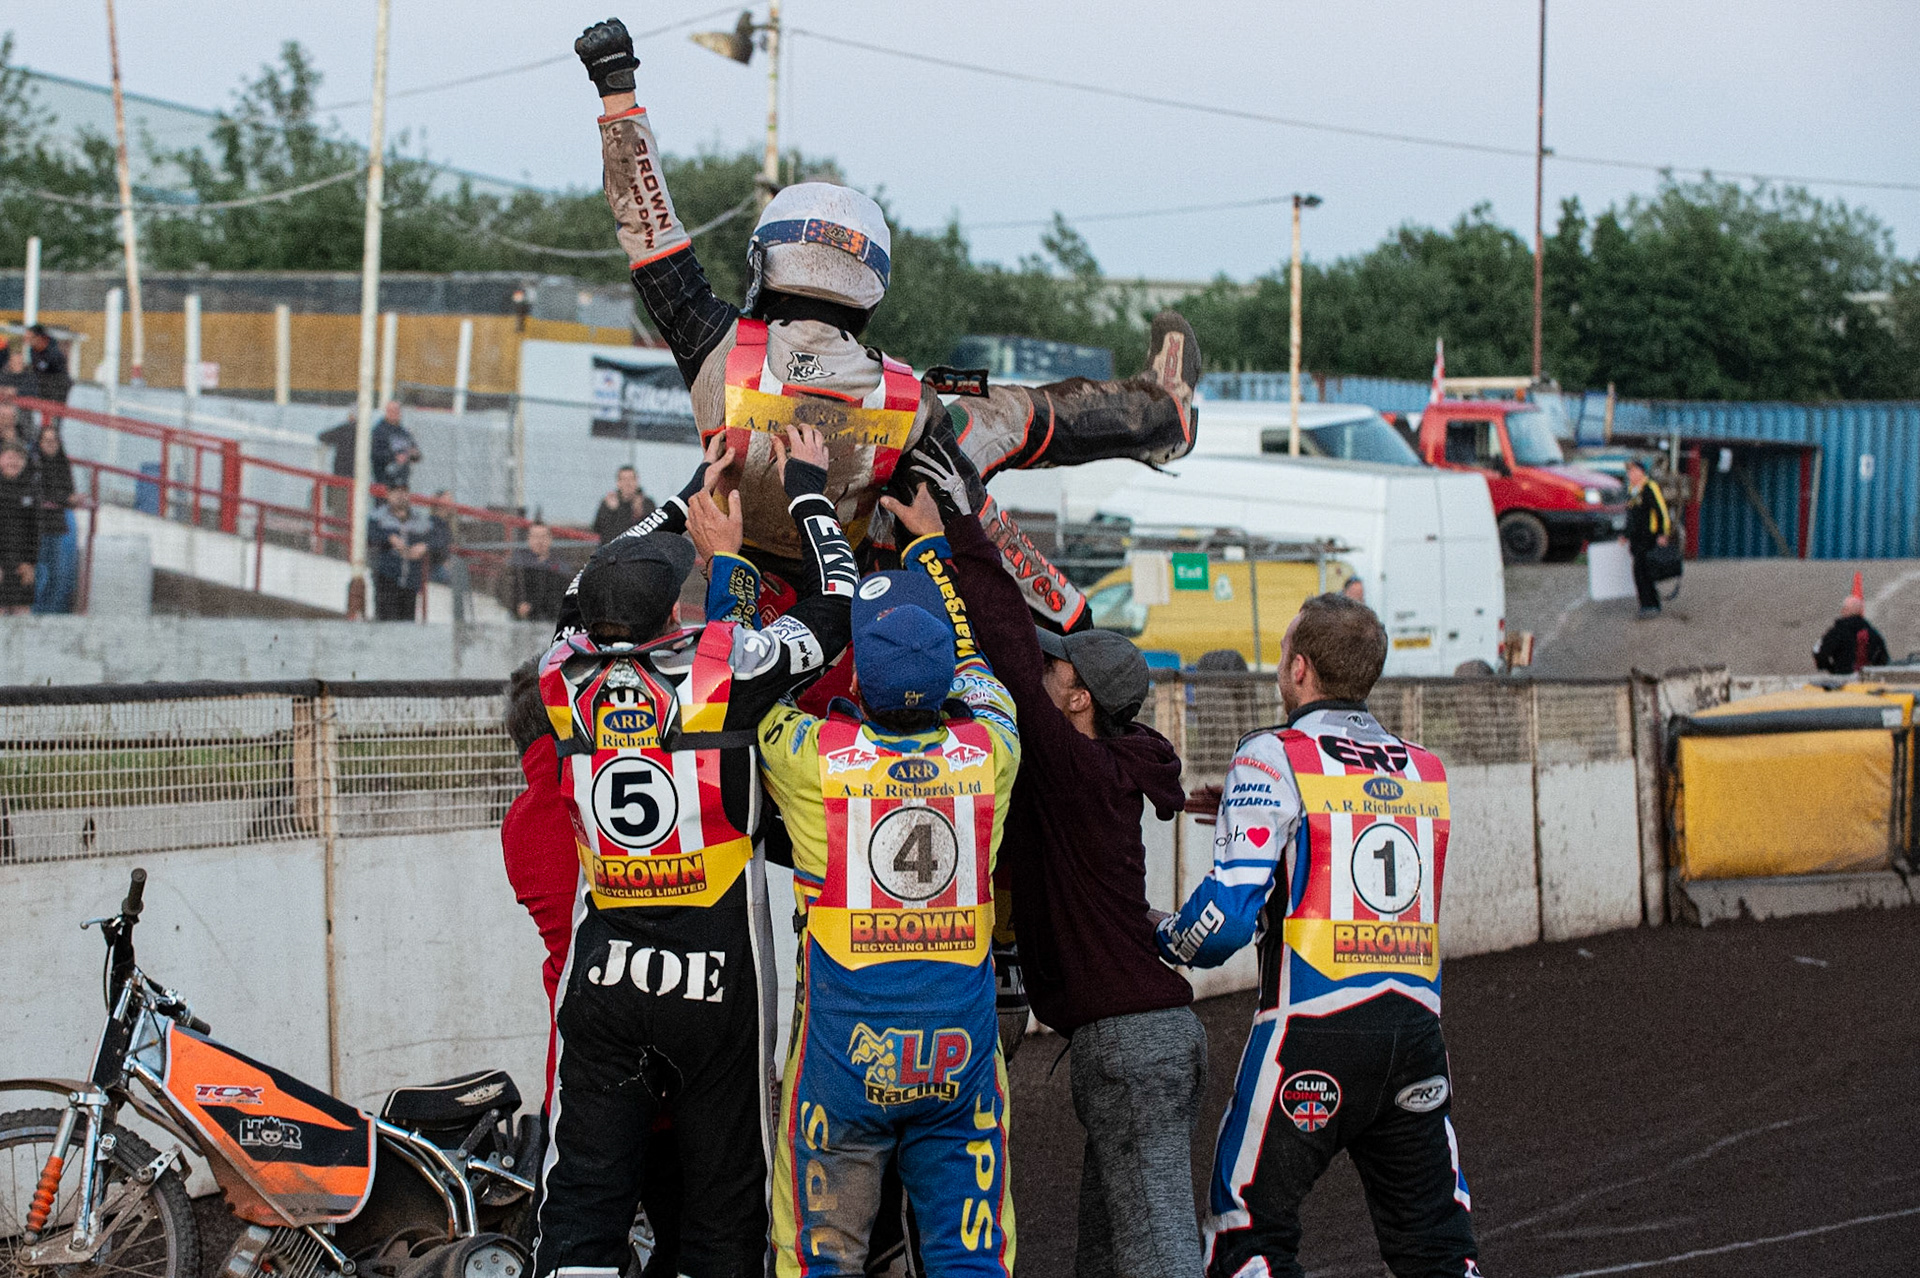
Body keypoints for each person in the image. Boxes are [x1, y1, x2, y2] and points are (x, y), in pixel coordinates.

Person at [569, 16, 1201, 638]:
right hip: (865, 601)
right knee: (994, 409)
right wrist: (1069, 615)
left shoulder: (717, 348)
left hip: (748, 605)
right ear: (868, 291)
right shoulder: (909, 399)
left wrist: (616, 87)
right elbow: (972, 516)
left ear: (767, 262)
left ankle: (1103, 562)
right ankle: (1161, 417)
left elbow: (651, 230)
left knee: (968, 410)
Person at [534, 423, 856, 1278]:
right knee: (725, 1199)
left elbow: (587, 576)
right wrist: (811, 491)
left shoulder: (557, 673)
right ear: (670, 612)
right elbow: (836, 607)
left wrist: (681, 499)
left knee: (585, 1201)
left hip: (604, 969)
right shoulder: (720, 668)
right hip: (718, 974)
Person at [891, 448, 1204, 1277]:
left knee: (1160, 1253)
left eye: (1058, 669)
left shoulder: (1072, 764)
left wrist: (950, 530)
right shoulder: (1119, 762)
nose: (1046, 670)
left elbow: (1000, 640)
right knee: (1109, 1250)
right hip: (1155, 1037)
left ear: (1078, 701)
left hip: (1128, 1046)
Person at [1158, 593, 1483, 1278]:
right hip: (1416, 1035)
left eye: (1282, 655)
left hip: (1312, 1029)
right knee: (1436, 1242)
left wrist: (1161, 934)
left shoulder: (1273, 756)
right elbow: (1349, 819)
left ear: (1300, 669)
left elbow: (1221, 926)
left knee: (1248, 1232)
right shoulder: (1426, 768)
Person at [757, 521, 1022, 1276]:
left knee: (818, 1259)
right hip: (960, 1058)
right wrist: (934, 560)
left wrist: (739, 579)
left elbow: (746, 685)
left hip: (843, 1065)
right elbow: (981, 673)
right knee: (973, 1261)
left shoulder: (813, 758)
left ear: (860, 685)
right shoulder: (994, 752)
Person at [368, 485, 445, 621]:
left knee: (407, 627)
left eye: (404, 491)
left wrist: (424, 546)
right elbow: (370, 535)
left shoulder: (419, 520)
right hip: (387, 580)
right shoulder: (378, 517)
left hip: (411, 582)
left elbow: (440, 539)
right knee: (386, 625)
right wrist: (390, 538)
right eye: (395, 491)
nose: (400, 495)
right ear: (388, 495)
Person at [31, 421, 78, 614]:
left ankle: (49, 614)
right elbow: (38, 493)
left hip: (57, 526)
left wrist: (63, 499)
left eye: (54, 441)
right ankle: (33, 611)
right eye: (47, 441)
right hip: (37, 527)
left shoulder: (62, 464)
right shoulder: (33, 465)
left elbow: (70, 493)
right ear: (40, 443)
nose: (51, 444)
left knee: (57, 574)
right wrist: (63, 499)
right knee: (39, 573)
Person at [1622, 459, 1670, 618]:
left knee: (1645, 570)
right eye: (1629, 471)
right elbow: (1631, 517)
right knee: (1638, 571)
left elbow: (1661, 511)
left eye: (1634, 471)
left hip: (1648, 536)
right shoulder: (1632, 490)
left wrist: (1663, 533)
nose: (1631, 474)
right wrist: (1625, 534)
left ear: (1642, 472)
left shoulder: (1650, 487)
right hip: (1636, 538)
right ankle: (1645, 603)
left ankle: (1651, 605)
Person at [1814, 573, 1889, 674]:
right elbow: (1883, 657)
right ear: (1860, 611)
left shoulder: (1837, 632)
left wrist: (1831, 668)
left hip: (1842, 678)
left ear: (1845, 610)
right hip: (1866, 680)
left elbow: (1819, 653)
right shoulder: (1872, 632)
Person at [0, 444, 41, 614]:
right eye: (9, 457)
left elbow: (35, 531)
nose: (13, 462)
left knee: (22, 613)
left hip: (22, 565)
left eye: (18, 458)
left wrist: (30, 564)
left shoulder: (31, 490)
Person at [509, 522, 573, 622]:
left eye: (543, 536)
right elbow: (505, 590)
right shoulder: (518, 565)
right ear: (528, 539)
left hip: (551, 621)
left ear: (550, 539)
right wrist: (517, 606)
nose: (539, 541)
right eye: (535, 537)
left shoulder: (560, 566)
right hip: (521, 621)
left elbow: (565, 597)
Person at [594, 465, 658, 543]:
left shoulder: (647, 503)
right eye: (624, 479)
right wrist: (612, 512)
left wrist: (640, 513)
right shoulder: (609, 502)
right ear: (618, 483)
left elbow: (655, 531)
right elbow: (598, 529)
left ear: (636, 481)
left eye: (631, 479)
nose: (628, 483)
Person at [372, 401, 423, 489]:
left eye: (397, 411)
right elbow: (375, 454)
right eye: (392, 411)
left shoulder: (404, 432)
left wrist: (414, 454)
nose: (395, 414)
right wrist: (394, 457)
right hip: (385, 480)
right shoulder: (379, 431)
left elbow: (416, 453)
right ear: (387, 412)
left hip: (403, 480)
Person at [26, 325, 73, 404]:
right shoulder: (32, 350)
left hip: (58, 387)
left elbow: (59, 376)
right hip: (43, 387)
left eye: (29, 338)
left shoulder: (54, 352)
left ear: (39, 338)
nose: (27, 341)